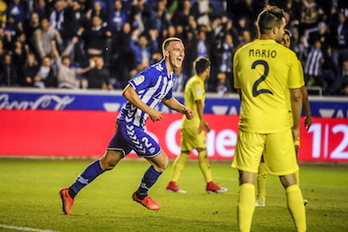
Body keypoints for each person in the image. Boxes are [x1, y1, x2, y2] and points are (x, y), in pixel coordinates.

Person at [59, 37, 194, 214]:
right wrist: (150, 111)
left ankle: (70, 192)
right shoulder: (153, 72)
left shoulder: (170, 77)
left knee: (107, 163)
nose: (181, 53)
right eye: (177, 50)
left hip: (130, 123)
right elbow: (128, 91)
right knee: (161, 162)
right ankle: (141, 194)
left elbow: (167, 98)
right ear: (166, 53)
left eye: (182, 50)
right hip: (131, 125)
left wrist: (184, 109)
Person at [231, 6, 306, 232]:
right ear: (274, 30)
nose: (284, 32)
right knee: (290, 181)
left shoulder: (241, 53)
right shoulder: (288, 56)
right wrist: (295, 127)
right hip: (279, 126)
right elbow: (296, 95)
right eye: (282, 28)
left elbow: (241, 91)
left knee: (246, 179)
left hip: (251, 123)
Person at [255, 29, 313, 207]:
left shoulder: (293, 61)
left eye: (288, 40)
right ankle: (261, 197)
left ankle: (296, 195)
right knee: (264, 157)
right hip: (273, 114)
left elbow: (302, 90)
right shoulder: (272, 61)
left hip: (289, 115)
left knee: (293, 158)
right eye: (283, 39)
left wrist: (308, 114)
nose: (286, 42)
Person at [166, 57, 227, 194]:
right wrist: (202, 121)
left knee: (184, 154)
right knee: (202, 152)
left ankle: (172, 183)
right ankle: (210, 183)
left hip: (187, 122)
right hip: (194, 123)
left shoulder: (192, 81)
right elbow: (199, 102)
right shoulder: (197, 83)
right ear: (207, 69)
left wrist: (203, 121)